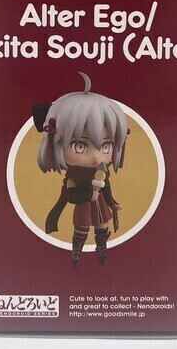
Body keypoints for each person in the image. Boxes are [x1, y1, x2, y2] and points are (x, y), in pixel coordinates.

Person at [34, 72, 128, 266]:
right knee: (81, 229)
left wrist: (112, 202)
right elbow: (71, 195)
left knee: (102, 227)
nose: (96, 157)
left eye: (106, 146)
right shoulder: (74, 177)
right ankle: (76, 252)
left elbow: (106, 186)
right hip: (84, 205)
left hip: (100, 204)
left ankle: (102, 249)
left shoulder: (102, 172)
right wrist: (89, 194)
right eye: (80, 146)